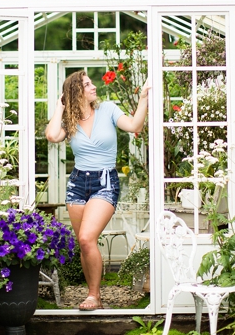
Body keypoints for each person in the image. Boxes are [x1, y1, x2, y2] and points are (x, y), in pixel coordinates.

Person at [45, 70, 150, 311]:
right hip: (77, 184)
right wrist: (60, 107)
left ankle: (92, 295)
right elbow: (52, 135)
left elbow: (135, 125)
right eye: (87, 84)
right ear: (75, 93)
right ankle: (95, 297)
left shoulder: (109, 110)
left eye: (91, 83)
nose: (93, 87)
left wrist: (143, 98)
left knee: (85, 237)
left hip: (105, 181)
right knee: (85, 244)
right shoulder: (69, 121)